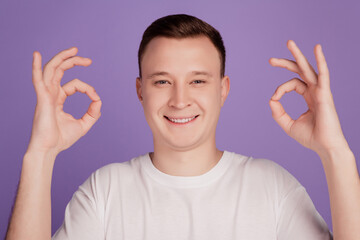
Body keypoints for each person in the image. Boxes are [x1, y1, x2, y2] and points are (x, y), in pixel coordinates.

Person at [5, 14, 360, 240]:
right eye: (162, 82)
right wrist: (40, 154)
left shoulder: (271, 186)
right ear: (140, 91)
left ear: (223, 90)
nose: (179, 100)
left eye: (197, 81)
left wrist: (335, 152)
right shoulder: (106, 190)